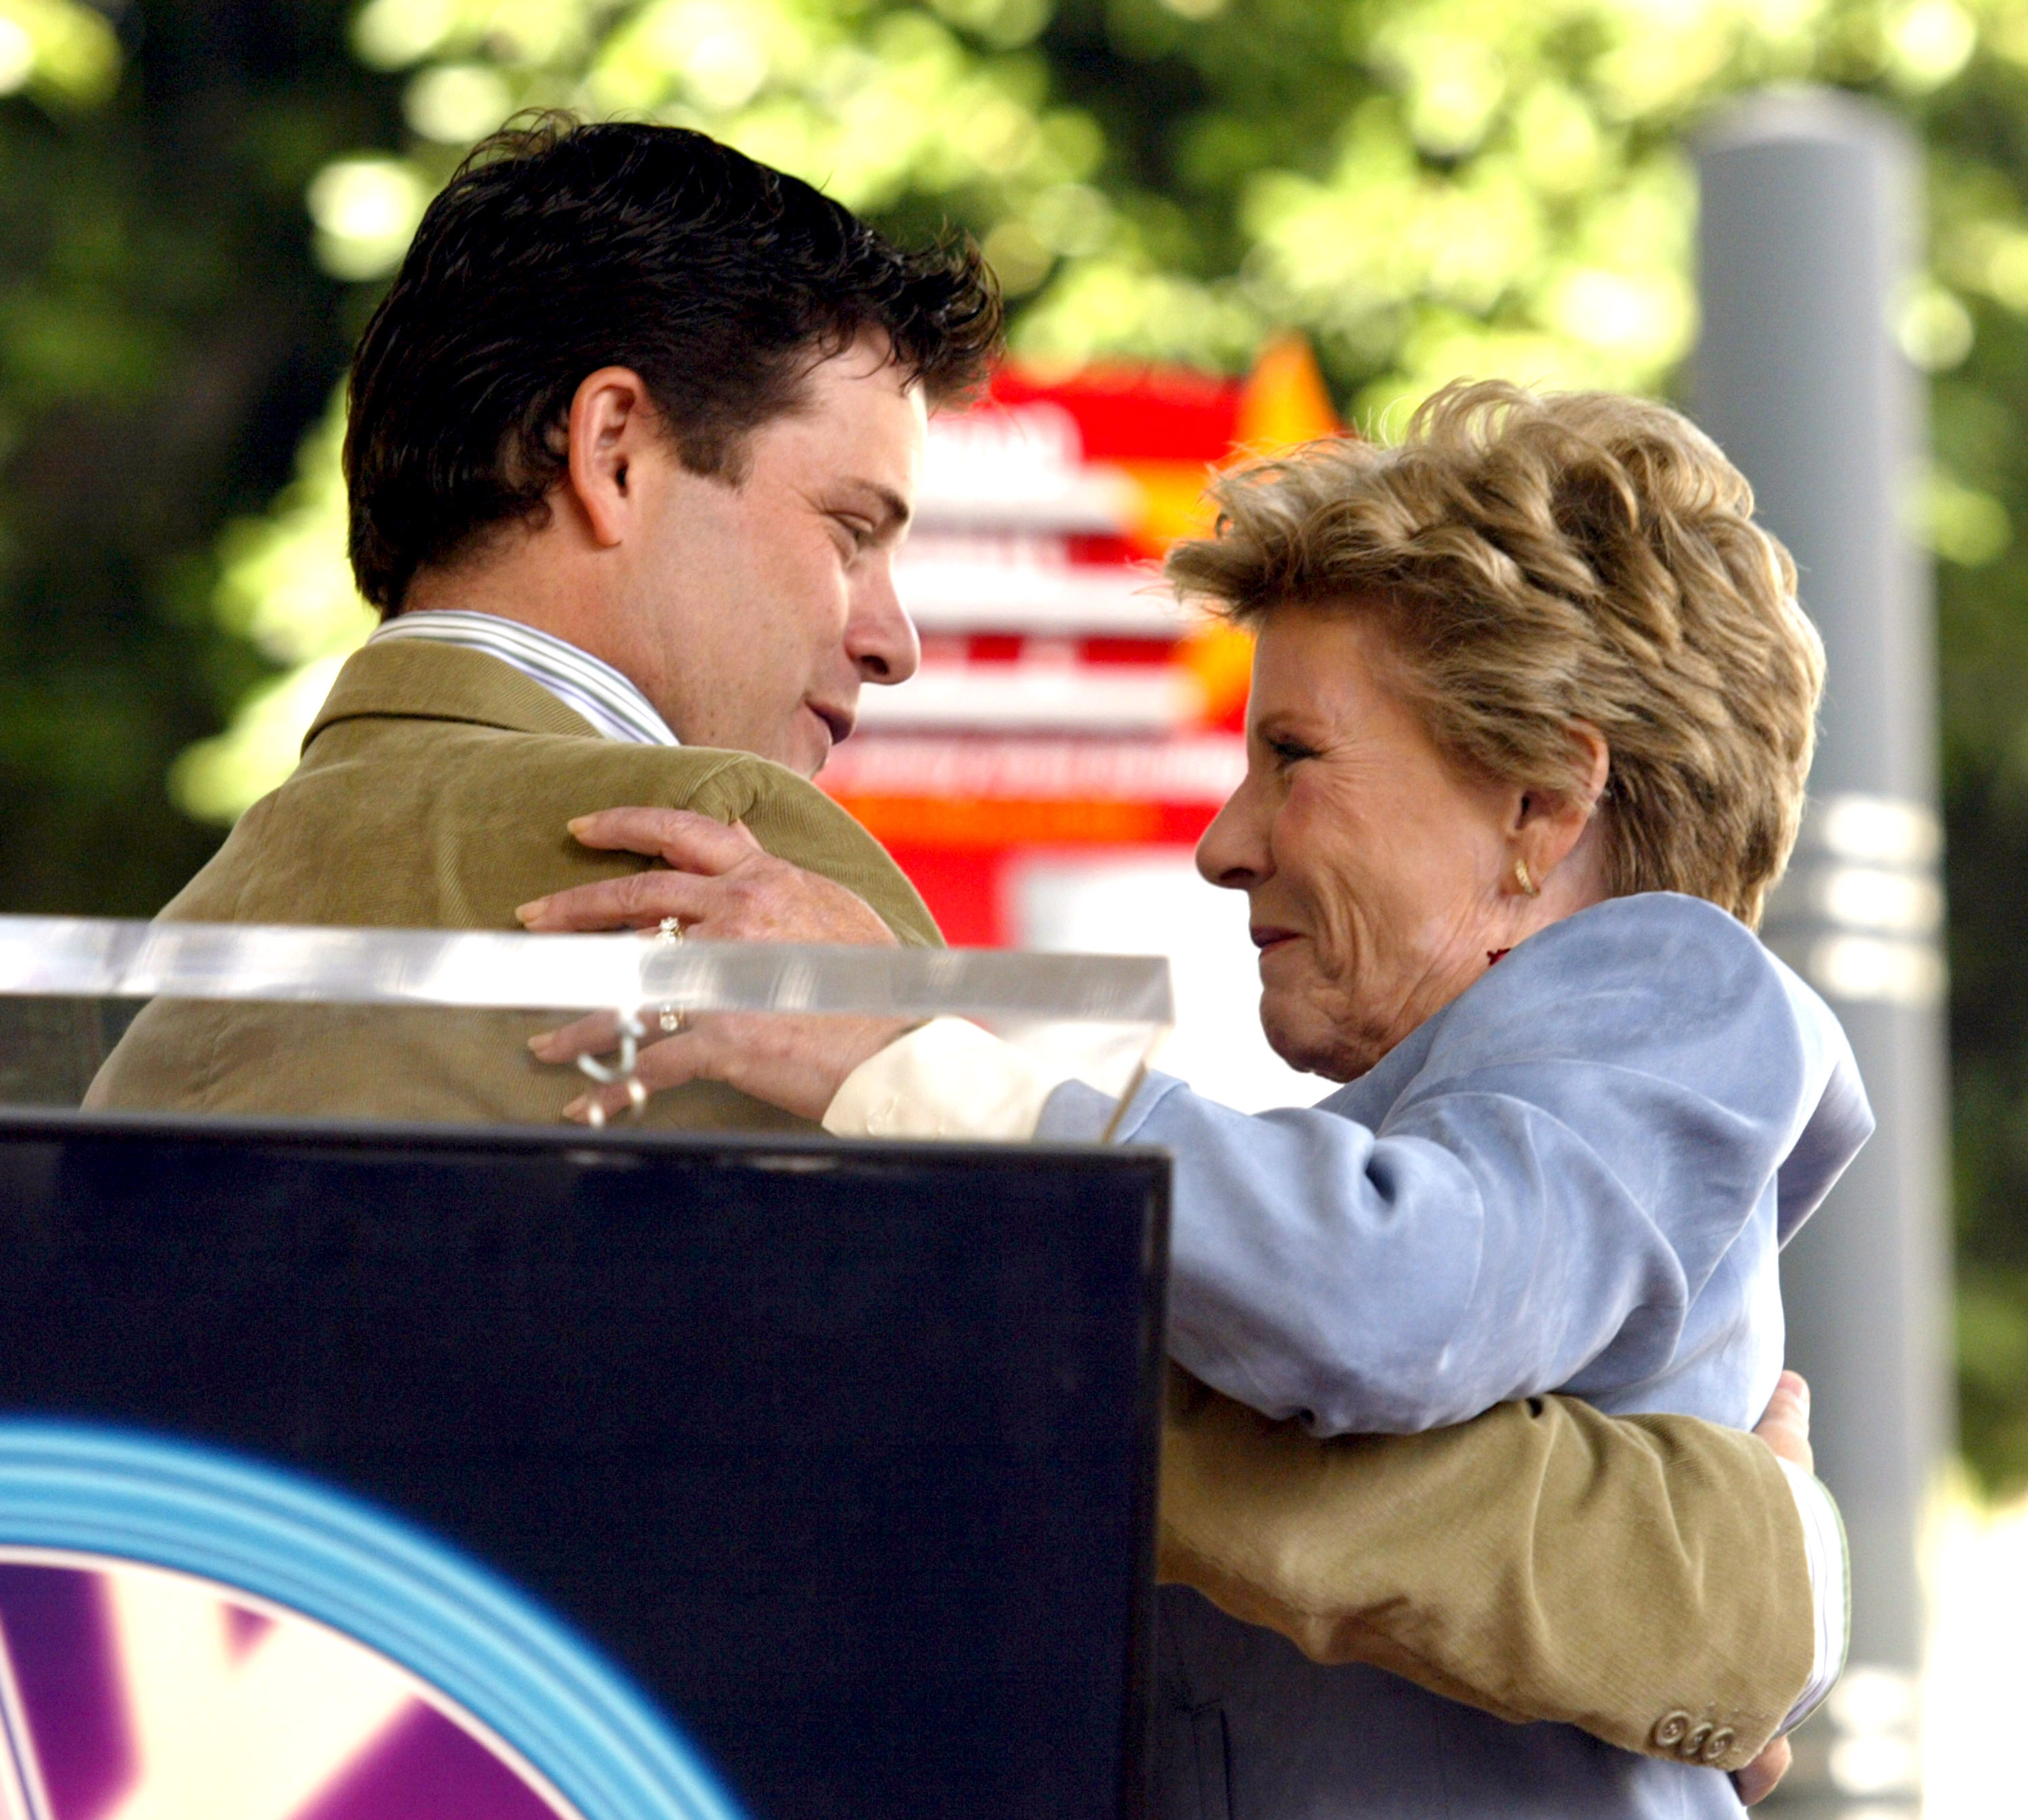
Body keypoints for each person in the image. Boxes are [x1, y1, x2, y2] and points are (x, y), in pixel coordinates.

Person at [88, 116, 1833, 1796]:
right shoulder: (700, 861)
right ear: (612, 450)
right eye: (854, 526)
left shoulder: (212, 927)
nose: (899, 635)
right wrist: (1753, 1583)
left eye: (1291, 757)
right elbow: (1166, 1438)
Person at [527, 381, 1861, 1816]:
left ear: (1539, 804)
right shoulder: (1372, 1164)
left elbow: (1386, 1301)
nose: (1225, 847)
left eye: (1292, 758)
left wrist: (903, 1047)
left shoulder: (1674, 985)